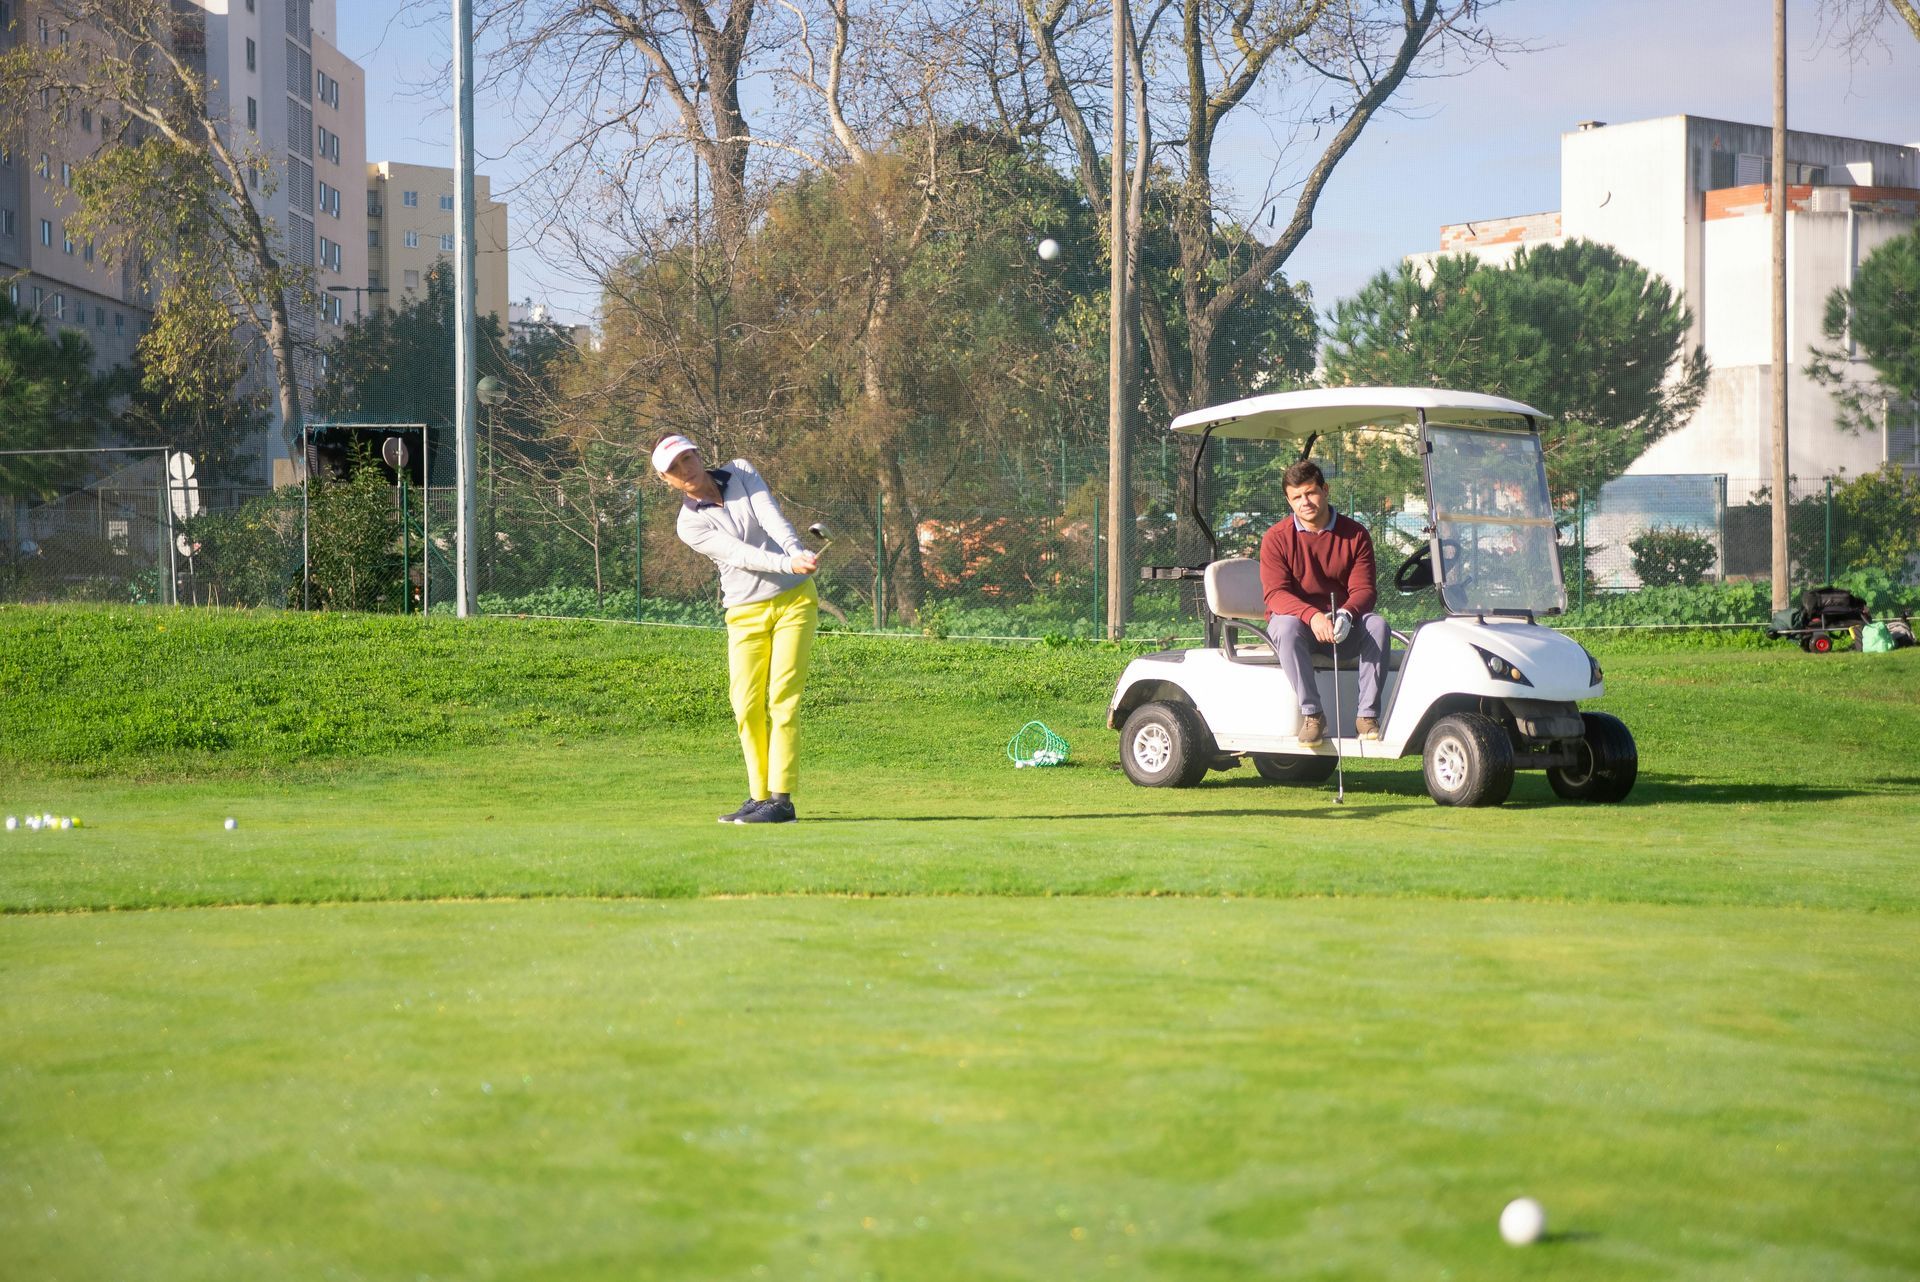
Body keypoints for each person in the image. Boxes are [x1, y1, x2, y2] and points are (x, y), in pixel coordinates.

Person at [654, 434, 821, 824]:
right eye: (674, 469)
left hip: (794, 601)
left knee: (783, 698)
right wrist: (786, 563)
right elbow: (739, 555)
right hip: (744, 612)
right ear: (668, 480)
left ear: (698, 455)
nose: (685, 470)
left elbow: (769, 515)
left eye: (687, 458)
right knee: (745, 705)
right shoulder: (688, 524)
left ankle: (781, 800)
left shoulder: (741, 470)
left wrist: (795, 550)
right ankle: (758, 795)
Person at [1257, 459, 1390, 744]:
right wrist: (1312, 616)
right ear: (1288, 500)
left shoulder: (1355, 534)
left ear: (1325, 490)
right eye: (1296, 497)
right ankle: (1313, 715)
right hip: (1301, 628)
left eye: (1310, 493)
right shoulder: (1276, 538)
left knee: (1377, 624)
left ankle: (1367, 717)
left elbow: (1365, 590)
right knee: (1286, 626)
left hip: (1343, 627)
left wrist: (1347, 613)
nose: (1305, 502)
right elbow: (1276, 595)